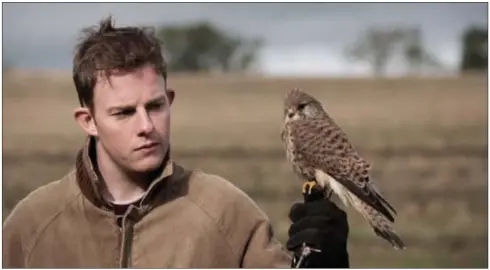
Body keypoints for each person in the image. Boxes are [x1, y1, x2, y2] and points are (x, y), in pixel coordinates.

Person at [2, 16, 350, 268]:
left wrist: (328, 265)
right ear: (88, 121)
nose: (146, 126)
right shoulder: (31, 225)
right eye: (123, 113)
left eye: (155, 106)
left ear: (170, 99)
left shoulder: (228, 213)